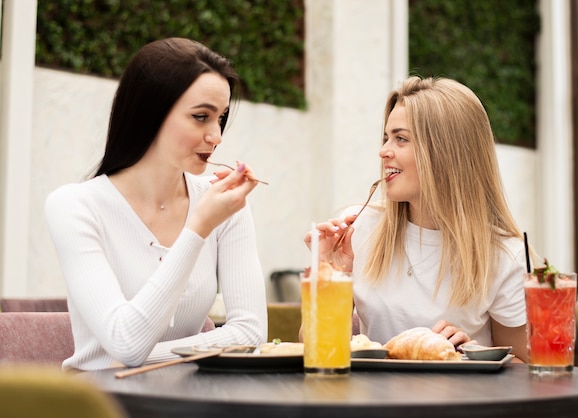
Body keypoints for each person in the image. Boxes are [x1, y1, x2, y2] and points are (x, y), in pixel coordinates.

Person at [45, 38, 268, 371]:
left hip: (192, 401)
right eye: (200, 117)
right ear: (149, 113)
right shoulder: (75, 206)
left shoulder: (222, 203)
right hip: (104, 403)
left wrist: (115, 360)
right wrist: (198, 228)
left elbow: (250, 334)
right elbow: (127, 343)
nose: (216, 136)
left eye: (219, 118)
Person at [305, 76, 528, 362]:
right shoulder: (358, 228)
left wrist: (472, 353)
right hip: (371, 402)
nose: (383, 151)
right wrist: (330, 273)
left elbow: (526, 371)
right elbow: (318, 347)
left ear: (446, 152)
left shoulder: (502, 254)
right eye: (386, 138)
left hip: (459, 404)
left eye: (401, 138)